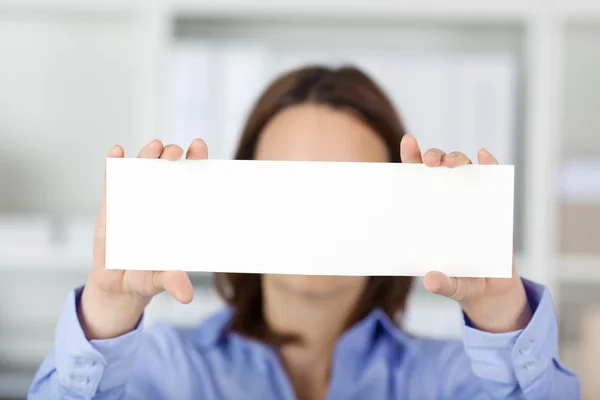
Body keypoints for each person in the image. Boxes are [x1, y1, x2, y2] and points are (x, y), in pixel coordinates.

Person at [29, 66, 579, 400]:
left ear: (403, 202)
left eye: (350, 188)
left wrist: (503, 319)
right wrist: (105, 314)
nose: (321, 216)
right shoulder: (164, 369)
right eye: (289, 185)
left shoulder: (455, 378)